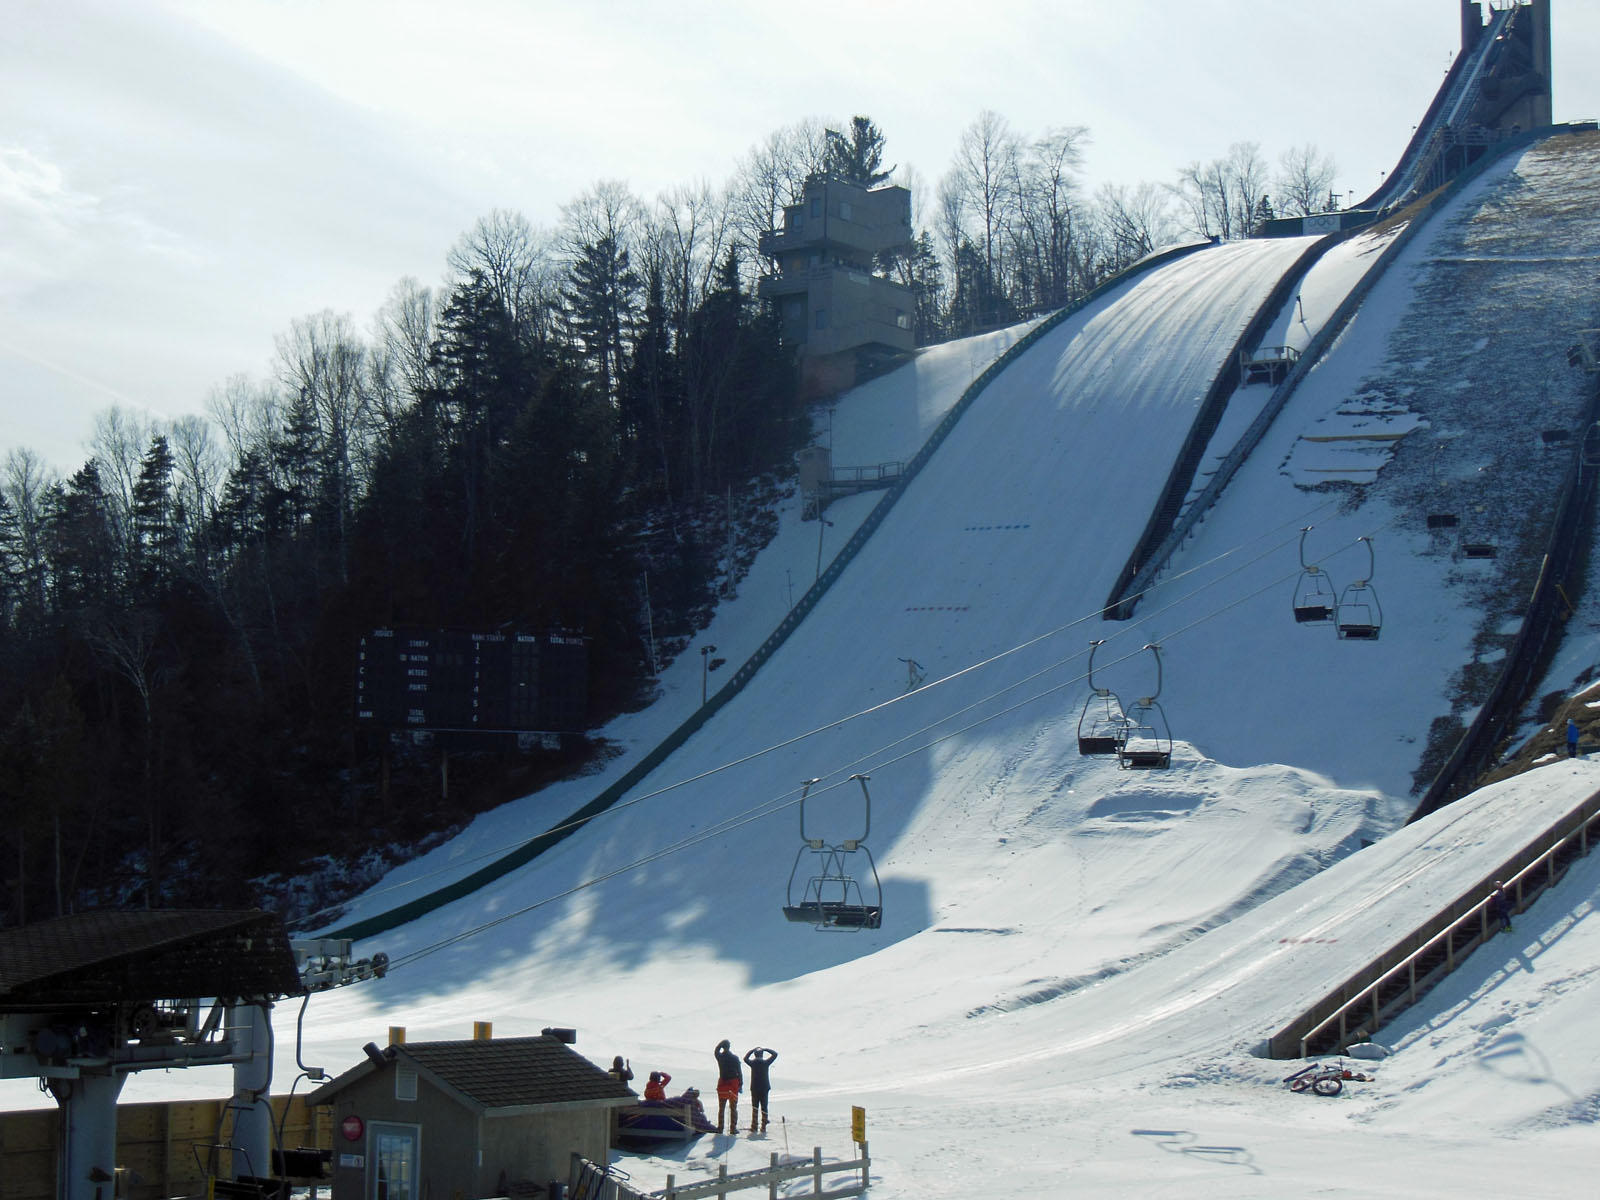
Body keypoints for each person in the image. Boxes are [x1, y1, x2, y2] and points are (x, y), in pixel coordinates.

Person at [743, 1046, 778, 1132]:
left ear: (755, 1055)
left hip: (754, 1087)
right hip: (764, 1087)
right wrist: (766, 1049)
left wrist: (751, 1050)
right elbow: (775, 1054)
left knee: (755, 1107)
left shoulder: (753, 1063)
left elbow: (745, 1058)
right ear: (762, 1054)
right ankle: (763, 1126)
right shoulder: (765, 1062)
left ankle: (754, 1125)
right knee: (764, 1106)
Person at [713, 1038, 742, 1133]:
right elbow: (739, 1072)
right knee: (733, 1108)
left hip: (722, 1084)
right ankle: (733, 1128)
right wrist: (740, 1084)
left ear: (723, 1047)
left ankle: (720, 1127)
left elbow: (716, 1050)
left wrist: (721, 1044)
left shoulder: (720, 1057)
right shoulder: (735, 1058)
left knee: (721, 1108)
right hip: (733, 1084)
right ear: (729, 1047)